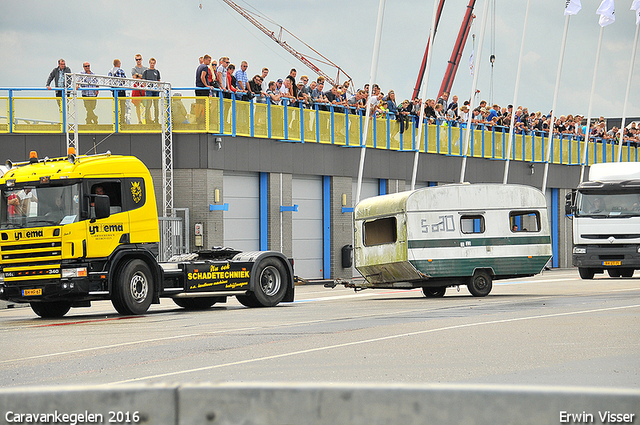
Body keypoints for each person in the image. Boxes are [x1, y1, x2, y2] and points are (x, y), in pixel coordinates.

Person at [142, 58, 161, 124]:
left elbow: (159, 80)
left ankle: (156, 119)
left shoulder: (157, 71)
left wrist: (158, 87)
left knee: (156, 106)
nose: (152, 64)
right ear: (149, 63)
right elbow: (143, 80)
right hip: (149, 90)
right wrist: (146, 86)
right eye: (151, 63)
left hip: (155, 90)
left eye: (153, 63)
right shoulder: (146, 71)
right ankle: (147, 119)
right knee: (148, 105)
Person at [108, 59, 127, 124]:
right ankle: (122, 120)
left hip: (114, 91)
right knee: (122, 106)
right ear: (118, 64)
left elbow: (109, 82)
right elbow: (124, 80)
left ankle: (116, 120)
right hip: (121, 90)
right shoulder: (120, 71)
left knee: (116, 106)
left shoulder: (110, 72)